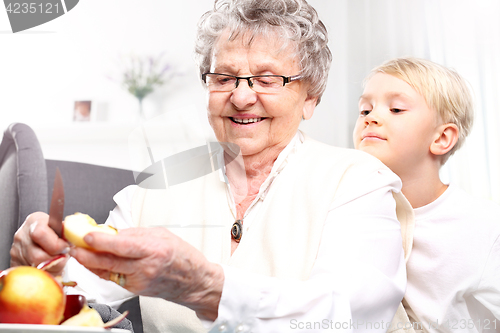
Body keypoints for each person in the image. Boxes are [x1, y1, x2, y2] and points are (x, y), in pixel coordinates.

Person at [10, 1, 412, 332]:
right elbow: (76, 290)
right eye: (224, 77)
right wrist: (41, 265)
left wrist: (209, 288)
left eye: (266, 80)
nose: (240, 97)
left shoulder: (359, 181)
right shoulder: (150, 193)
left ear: (311, 97)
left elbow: (352, 315)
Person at [353, 57, 500, 332]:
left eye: (396, 109)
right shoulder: (350, 213)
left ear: (442, 138)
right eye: (364, 110)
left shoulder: (485, 226)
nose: (371, 118)